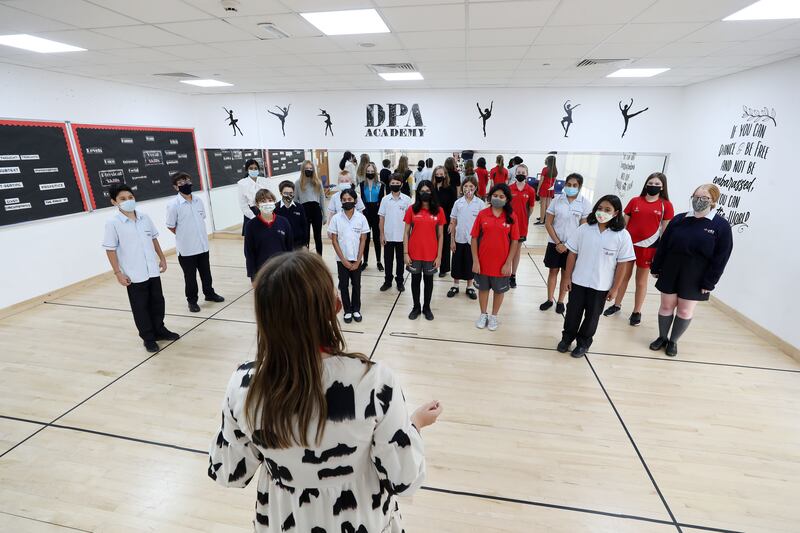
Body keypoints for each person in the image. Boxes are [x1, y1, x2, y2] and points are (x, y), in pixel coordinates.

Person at [209, 251, 442, 533]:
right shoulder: (374, 382)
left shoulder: (244, 385)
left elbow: (228, 471)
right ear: (335, 306)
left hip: (285, 521)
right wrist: (414, 425)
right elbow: (404, 478)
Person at [648, 184, 732, 357]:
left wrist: (710, 281)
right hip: (672, 268)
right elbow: (663, 245)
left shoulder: (721, 226)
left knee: (685, 310)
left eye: (704, 198)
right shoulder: (679, 220)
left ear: (714, 201)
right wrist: (657, 266)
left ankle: (673, 341)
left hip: (696, 274)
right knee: (666, 306)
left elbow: (721, 257)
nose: (698, 201)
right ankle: (662, 337)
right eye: (695, 197)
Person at [102, 184, 179, 353]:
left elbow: (153, 239)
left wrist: (162, 258)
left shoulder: (145, 217)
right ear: (114, 202)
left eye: (130, 197)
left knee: (158, 302)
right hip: (134, 274)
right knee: (140, 307)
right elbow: (110, 249)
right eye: (122, 199)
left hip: (152, 269)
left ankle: (160, 329)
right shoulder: (113, 223)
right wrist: (118, 273)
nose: (128, 201)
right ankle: (148, 338)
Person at [558, 195, 635, 358]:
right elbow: (572, 254)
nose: (602, 212)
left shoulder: (622, 235)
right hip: (578, 281)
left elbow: (623, 264)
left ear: (616, 213)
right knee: (573, 313)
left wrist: (615, 288)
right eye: (600, 208)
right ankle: (567, 339)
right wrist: (566, 278)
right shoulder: (584, 229)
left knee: (592, 317)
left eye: (607, 210)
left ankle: (583, 343)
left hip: (601, 286)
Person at [603, 172, 675, 326]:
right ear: (646, 184)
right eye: (651, 183)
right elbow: (623, 224)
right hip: (628, 247)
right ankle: (616, 305)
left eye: (657, 184)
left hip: (649, 248)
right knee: (622, 277)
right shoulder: (635, 201)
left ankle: (637, 312)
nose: (653, 186)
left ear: (662, 187)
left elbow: (666, 231)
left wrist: (661, 253)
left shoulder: (666, 205)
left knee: (641, 282)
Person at [165, 171, 225, 313]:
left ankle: (209, 294)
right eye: (181, 183)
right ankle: (192, 301)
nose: (185, 184)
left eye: (187, 181)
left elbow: (201, 219)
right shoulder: (173, 205)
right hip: (186, 249)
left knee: (206, 273)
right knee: (190, 278)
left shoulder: (198, 200)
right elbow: (171, 226)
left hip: (203, 246)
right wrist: (184, 235)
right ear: (175, 187)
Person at [471, 183, 519, 332]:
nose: (497, 198)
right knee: (483, 289)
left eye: (501, 196)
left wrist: (508, 263)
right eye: (495, 196)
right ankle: (483, 314)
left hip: (501, 264)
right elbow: (474, 238)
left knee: (499, 291)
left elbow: (515, 241)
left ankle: (494, 316)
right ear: (490, 196)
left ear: (507, 199)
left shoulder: (511, 216)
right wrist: (475, 261)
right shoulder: (482, 214)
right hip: (483, 262)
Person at [541, 173, 592, 314]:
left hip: (572, 247)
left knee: (566, 273)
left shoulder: (585, 204)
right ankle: (549, 299)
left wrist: (568, 245)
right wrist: (558, 243)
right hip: (554, 243)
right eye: (569, 184)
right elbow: (548, 223)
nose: (571, 187)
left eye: (575, 185)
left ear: (580, 187)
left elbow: (583, 228)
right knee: (553, 271)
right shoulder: (557, 200)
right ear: (565, 185)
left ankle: (561, 301)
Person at [404, 180, 446, 321]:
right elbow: (406, 233)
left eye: (428, 191)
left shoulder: (439, 211)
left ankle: (426, 307)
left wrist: (439, 256)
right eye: (422, 191)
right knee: (415, 280)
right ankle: (416, 307)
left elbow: (441, 236)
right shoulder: (411, 209)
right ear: (418, 192)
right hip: (414, 254)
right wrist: (405, 253)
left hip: (431, 254)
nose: (425, 193)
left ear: (432, 192)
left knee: (429, 282)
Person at [329, 188, 371, 324]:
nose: (347, 201)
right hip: (342, 260)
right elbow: (334, 240)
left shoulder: (361, 218)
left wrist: (359, 260)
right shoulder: (336, 218)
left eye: (350, 199)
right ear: (341, 201)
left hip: (356, 259)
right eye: (344, 200)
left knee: (357, 285)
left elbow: (363, 239)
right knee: (344, 285)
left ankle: (356, 309)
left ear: (355, 201)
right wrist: (343, 260)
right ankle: (347, 310)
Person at [244, 189, 293, 283]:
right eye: (263, 201)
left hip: (282, 270)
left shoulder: (284, 222)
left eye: (270, 200)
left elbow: (289, 249)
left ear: (274, 202)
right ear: (257, 205)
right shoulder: (250, 225)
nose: (267, 203)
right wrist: (252, 276)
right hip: (262, 272)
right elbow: (249, 252)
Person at [448, 176, 484, 300]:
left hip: (472, 241)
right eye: (465, 186)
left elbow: (482, 224)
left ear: (475, 188)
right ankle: (455, 285)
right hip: (459, 238)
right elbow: (453, 221)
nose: (468, 189)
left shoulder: (480, 203)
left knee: (470, 262)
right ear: (462, 188)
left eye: (471, 186)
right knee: (457, 262)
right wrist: (452, 240)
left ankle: (470, 287)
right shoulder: (458, 203)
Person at [379, 173, 412, 293]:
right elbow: (381, 218)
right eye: (393, 183)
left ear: (401, 184)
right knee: (388, 260)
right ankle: (387, 281)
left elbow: (410, 220)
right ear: (389, 184)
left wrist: (409, 237)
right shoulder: (385, 200)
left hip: (402, 237)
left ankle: (399, 281)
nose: (395, 185)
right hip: (388, 236)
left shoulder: (407, 200)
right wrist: (381, 234)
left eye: (397, 183)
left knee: (400, 261)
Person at [508, 163, 536, 289]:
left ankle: (513, 275)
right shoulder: (509, 188)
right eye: (518, 172)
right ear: (515, 174)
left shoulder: (530, 190)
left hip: (522, 226)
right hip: (508, 224)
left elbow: (531, 208)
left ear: (527, 175)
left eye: (523, 172)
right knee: (507, 249)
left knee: (517, 250)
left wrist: (524, 219)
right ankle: (505, 273)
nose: (520, 174)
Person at [295, 160, 326, 256]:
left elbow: (322, 198)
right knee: (305, 237)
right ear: (303, 170)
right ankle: (306, 259)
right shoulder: (298, 183)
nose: (309, 170)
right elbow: (296, 200)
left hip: (316, 210)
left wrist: (324, 215)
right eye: (307, 168)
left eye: (311, 168)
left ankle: (319, 258)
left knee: (318, 237)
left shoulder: (318, 182)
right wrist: (297, 215)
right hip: (304, 211)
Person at [432, 165, 458, 278]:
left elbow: (453, 208)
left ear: (445, 175)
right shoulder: (431, 188)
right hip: (432, 220)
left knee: (445, 245)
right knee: (432, 243)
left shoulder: (450, 189)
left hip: (445, 220)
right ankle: (432, 265)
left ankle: (443, 268)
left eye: (441, 175)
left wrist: (452, 223)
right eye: (437, 175)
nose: (439, 176)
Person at [359, 162, 385, 272]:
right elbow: (360, 200)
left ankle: (379, 261)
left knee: (376, 238)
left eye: (372, 171)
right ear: (365, 172)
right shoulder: (361, 184)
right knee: (365, 238)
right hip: (365, 213)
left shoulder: (380, 184)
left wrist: (381, 215)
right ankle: (365, 261)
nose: (370, 173)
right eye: (368, 171)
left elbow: (382, 200)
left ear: (375, 172)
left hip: (376, 212)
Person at [237, 159, 269, 236]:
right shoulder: (242, 183)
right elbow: (243, 205)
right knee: (253, 239)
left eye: (255, 168)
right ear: (247, 170)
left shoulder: (264, 181)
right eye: (251, 168)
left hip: (265, 211)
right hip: (251, 214)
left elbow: (270, 197)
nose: (253, 170)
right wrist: (253, 217)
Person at [275, 180, 309, 250]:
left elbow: (304, 226)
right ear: (281, 193)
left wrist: (305, 244)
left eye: (291, 193)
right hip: (282, 246)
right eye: (285, 193)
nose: (288, 195)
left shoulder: (299, 207)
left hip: (298, 245)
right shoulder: (275, 208)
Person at [536, 155, 558, 225]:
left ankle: (542, 221)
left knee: (543, 204)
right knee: (548, 204)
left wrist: (538, 189)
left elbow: (541, 180)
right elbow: (554, 181)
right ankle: (546, 218)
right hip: (551, 188)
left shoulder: (545, 169)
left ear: (548, 161)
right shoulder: (555, 170)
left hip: (544, 187)